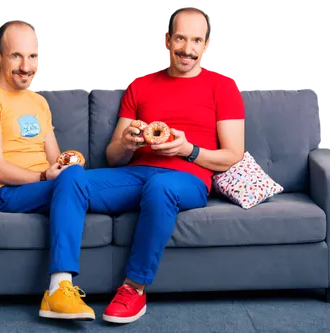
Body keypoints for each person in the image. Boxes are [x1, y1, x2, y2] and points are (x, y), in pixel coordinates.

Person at [93, 5, 245, 324]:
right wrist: (127, 143)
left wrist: (188, 150)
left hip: (187, 178)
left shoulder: (223, 86)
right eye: (180, 38)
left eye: (196, 41)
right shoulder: (141, 84)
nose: (187, 49)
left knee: (160, 186)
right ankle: (59, 284)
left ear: (206, 46)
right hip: (137, 173)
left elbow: (232, 154)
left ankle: (134, 288)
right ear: (166, 40)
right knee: (75, 180)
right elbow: (112, 157)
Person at [0, 19, 97, 321]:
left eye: (33, 57)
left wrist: (69, 161)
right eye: (16, 56)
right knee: (81, 184)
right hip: (5, 193)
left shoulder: (38, 102)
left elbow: (55, 159)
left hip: (44, 186)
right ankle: (57, 289)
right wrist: (44, 176)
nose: (26, 66)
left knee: (81, 177)